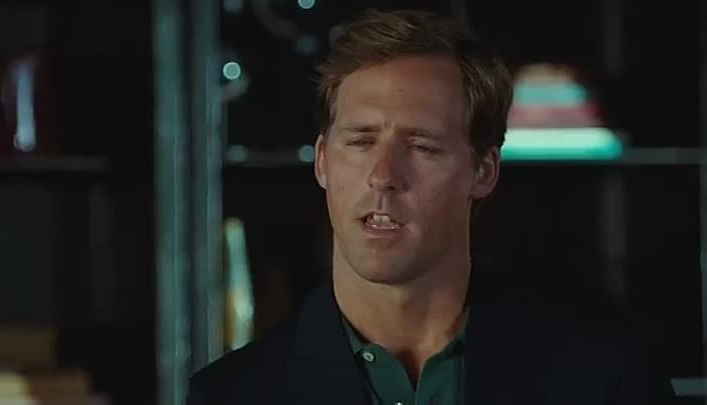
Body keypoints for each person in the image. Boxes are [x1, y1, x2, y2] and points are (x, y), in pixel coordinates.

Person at [187, 9, 676, 405]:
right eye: (360, 141)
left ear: (482, 171)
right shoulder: (232, 395)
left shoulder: (606, 375)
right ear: (322, 162)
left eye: (422, 146)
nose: (383, 175)